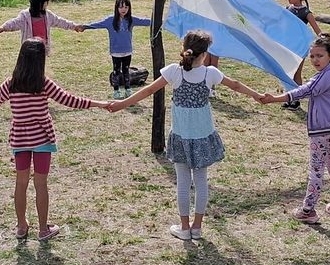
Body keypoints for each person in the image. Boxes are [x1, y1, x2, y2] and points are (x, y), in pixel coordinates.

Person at [112, 30, 262, 241]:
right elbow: (236, 85)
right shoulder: (210, 73)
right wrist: (257, 96)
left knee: (183, 182)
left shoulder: (174, 72)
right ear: (205, 54)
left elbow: (148, 91)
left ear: (185, 49)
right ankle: (197, 227)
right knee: (201, 181)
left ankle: (184, 227)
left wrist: (122, 104)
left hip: (181, 136)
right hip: (203, 136)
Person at [0, 39, 113, 241]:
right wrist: (99, 103)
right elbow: (70, 100)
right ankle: (43, 229)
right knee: (41, 184)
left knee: (21, 183)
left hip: (19, 139)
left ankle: (21, 226)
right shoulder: (43, 83)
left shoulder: (11, 83)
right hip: (42, 138)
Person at [258, 33, 330, 224]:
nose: (315, 60)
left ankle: (308, 210)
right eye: (312, 56)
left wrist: (274, 99)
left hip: (322, 131)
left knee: (316, 170)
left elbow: (303, 91)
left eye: (319, 56)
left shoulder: (324, 77)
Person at [85, 0, 153, 99]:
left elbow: (144, 21)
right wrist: (84, 27)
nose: (123, 9)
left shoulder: (131, 20)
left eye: (126, 7)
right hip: (116, 51)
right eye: (121, 7)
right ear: (116, 7)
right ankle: (116, 90)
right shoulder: (110, 20)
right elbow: (97, 24)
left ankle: (128, 89)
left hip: (127, 51)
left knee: (126, 70)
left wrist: (158, 22)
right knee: (116, 71)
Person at [0, 0, 84, 52]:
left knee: (40, 67)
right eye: (45, 2)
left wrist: (74, 26)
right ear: (38, 3)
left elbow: (60, 21)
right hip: (29, 48)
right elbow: (14, 23)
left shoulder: (48, 15)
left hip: (42, 48)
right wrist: (3, 27)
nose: (47, 4)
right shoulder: (25, 16)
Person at [282, 0, 322, 108]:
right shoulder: (288, 9)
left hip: (299, 46)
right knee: (287, 72)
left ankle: (296, 99)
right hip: (288, 44)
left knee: (296, 73)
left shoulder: (306, 12)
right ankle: (288, 97)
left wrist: (324, 39)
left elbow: (317, 30)